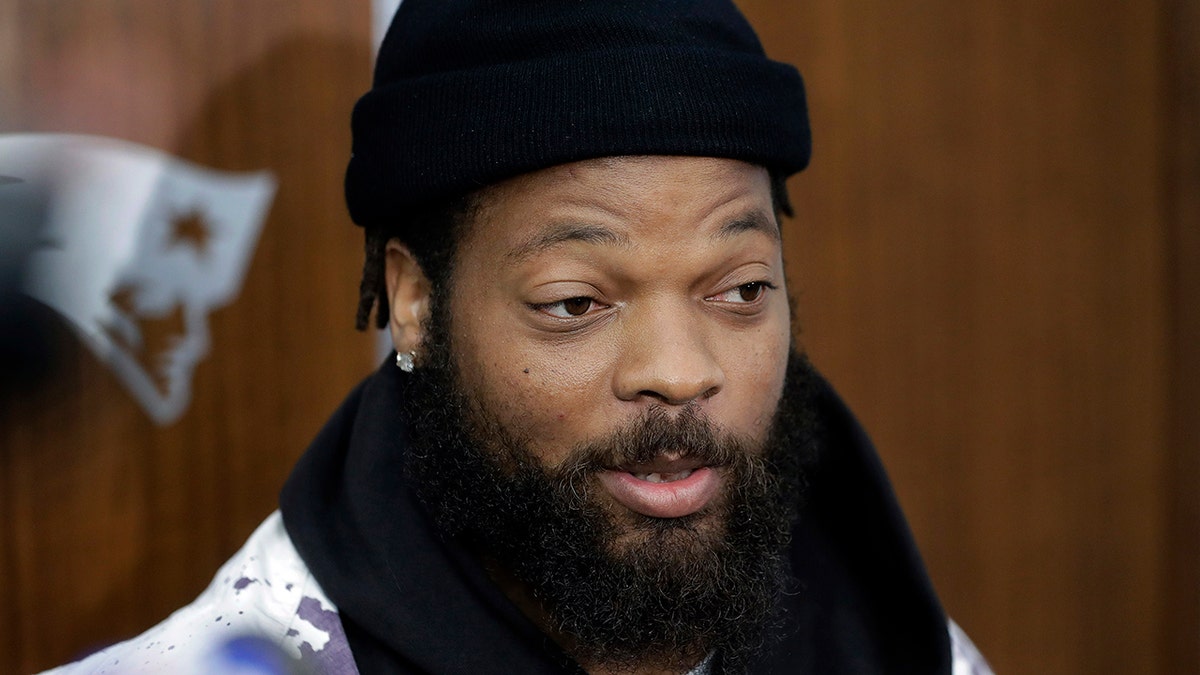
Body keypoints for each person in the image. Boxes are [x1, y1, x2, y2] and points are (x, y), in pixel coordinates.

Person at [49, 1, 994, 673]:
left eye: (740, 288)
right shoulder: (242, 662)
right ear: (415, 301)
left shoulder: (902, 643)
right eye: (577, 302)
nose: (680, 371)